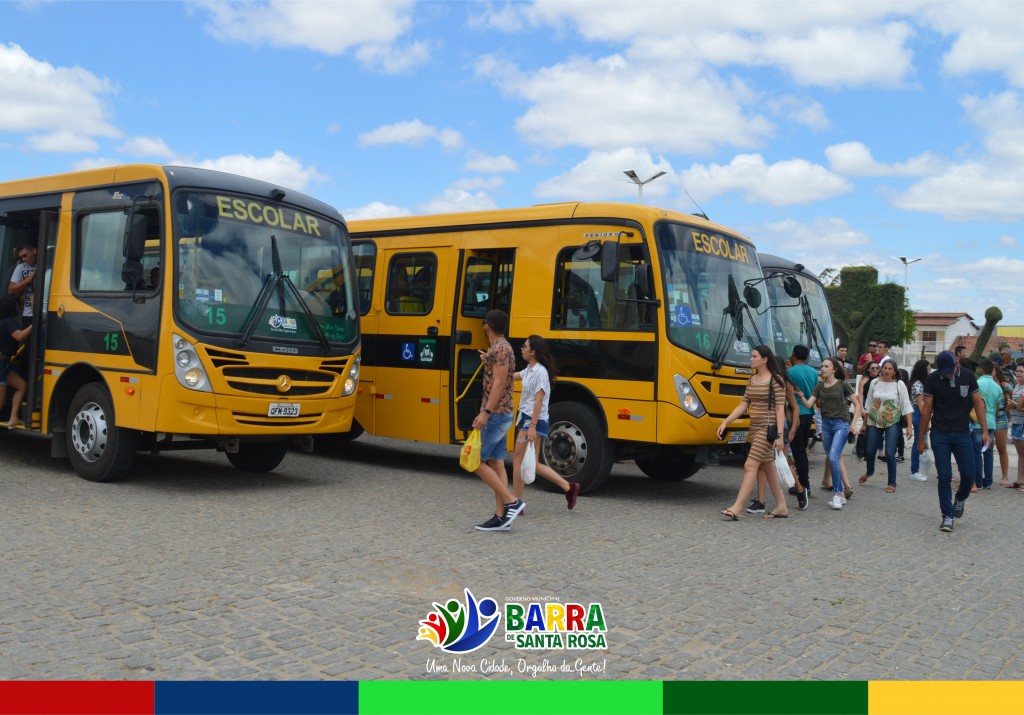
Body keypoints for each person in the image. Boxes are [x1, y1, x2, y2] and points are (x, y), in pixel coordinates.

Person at [918, 350, 989, 533]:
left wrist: (985, 430)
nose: (948, 374)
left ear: (956, 363)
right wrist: (921, 438)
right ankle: (947, 516)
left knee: (969, 475)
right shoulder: (933, 379)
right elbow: (927, 409)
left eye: (950, 370)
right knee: (944, 476)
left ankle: (960, 498)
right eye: (944, 371)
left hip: (962, 433)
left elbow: (978, 403)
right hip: (940, 434)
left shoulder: (968, 376)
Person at [717, 345, 789, 520]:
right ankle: (781, 507)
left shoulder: (776, 380)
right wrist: (726, 421)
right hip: (754, 429)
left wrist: (780, 436)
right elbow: (743, 404)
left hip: (767, 430)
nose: (751, 359)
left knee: (750, 465)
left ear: (765, 360)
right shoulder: (752, 380)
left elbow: (780, 409)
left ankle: (737, 508)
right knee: (768, 466)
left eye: (754, 356)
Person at [511, 335, 580, 509]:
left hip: (532, 420)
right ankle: (569, 487)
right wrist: (491, 364)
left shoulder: (540, 372)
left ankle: (516, 504)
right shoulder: (530, 369)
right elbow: (512, 376)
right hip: (530, 419)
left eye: (525, 346)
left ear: (533, 351)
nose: (522, 348)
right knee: (532, 464)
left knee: (518, 460)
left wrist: (532, 426)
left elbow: (539, 400)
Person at [471, 310, 525, 532]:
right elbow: (501, 374)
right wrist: (488, 359)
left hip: (496, 414)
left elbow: (500, 383)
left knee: (472, 460)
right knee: (496, 463)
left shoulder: (501, 349)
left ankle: (512, 502)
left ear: (487, 326)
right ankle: (501, 517)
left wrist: (485, 412)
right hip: (501, 413)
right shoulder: (500, 349)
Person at [795, 357, 863, 510]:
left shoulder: (842, 385)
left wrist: (853, 423)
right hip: (826, 425)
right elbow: (808, 404)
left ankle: (837, 494)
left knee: (833, 457)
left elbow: (857, 405)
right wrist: (800, 394)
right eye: (822, 366)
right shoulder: (819, 387)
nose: (823, 369)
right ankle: (840, 495)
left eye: (826, 366)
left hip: (841, 424)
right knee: (832, 459)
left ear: (834, 369)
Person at [755, 356, 807, 512]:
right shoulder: (764, 380)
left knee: (783, 462)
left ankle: (800, 489)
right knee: (762, 463)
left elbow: (795, 408)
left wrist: (792, 430)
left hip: (779, 425)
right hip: (764, 423)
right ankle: (761, 501)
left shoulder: (784, 384)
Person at [858, 360, 914, 492]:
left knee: (889, 452)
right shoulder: (874, 382)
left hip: (892, 421)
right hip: (874, 420)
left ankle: (892, 483)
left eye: (890, 368)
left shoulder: (899, 384)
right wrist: (864, 424)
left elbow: (906, 405)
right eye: (885, 368)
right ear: (881, 369)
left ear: (894, 371)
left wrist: (909, 427)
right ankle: (869, 472)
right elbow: (869, 404)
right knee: (870, 451)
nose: (887, 371)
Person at [787, 345, 818, 496]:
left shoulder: (790, 372)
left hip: (796, 414)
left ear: (793, 354)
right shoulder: (813, 372)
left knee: (798, 451)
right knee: (803, 450)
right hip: (809, 412)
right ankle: (803, 482)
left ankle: (804, 485)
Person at [969, 360, 1003, 491]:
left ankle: (977, 481)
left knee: (976, 452)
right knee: (988, 452)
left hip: (978, 421)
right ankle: (988, 481)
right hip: (991, 422)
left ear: (981, 370)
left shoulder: (977, 383)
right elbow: (997, 407)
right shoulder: (998, 387)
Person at [0, 295, 32, 428]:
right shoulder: (9, 322)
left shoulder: (3, 322)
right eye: (19, 306)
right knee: (1, 403)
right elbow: (19, 336)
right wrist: (34, 324)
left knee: (22, 385)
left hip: (4, 364)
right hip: (1, 364)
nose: (20, 309)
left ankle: (14, 418)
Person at [908, 359, 931, 481]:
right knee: (918, 441)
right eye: (928, 369)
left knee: (920, 441)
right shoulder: (918, 384)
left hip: (919, 413)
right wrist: (927, 420)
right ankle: (915, 470)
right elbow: (920, 403)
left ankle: (917, 469)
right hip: (919, 413)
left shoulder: (918, 383)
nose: (929, 371)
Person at [8, 243, 37, 328]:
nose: (24, 259)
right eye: (21, 257)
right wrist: (28, 280)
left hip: (44, 311)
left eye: (25, 255)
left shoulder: (46, 264)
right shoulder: (21, 267)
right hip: (28, 313)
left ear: (34, 251)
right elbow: (11, 290)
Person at [1007, 364, 1024, 491]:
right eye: (1017, 371)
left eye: (1021, 371)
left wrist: (1015, 404)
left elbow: (1020, 407)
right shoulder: (1018, 386)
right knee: (1021, 454)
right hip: (1016, 421)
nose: (1018, 373)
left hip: (1022, 422)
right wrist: (1011, 405)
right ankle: (1020, 480)